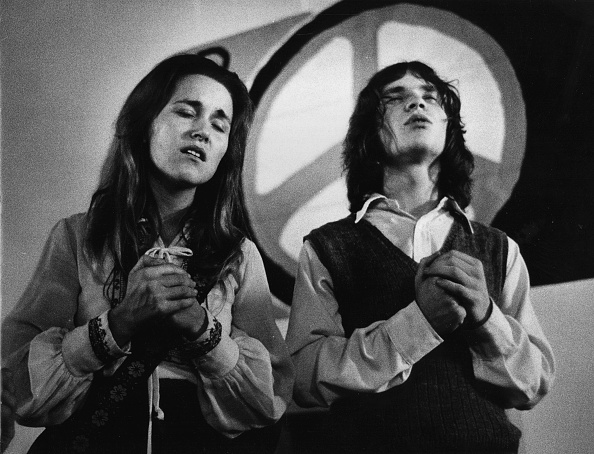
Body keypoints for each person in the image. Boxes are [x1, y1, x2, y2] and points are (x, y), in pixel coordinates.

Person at [1, 54, 294, 454]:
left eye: (219, 124)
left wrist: (201, 329)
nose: (202, 132)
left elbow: (270, 398)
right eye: (186, 112)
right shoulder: (77, 237)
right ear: (145, 124)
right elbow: (18, 385)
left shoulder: (239, 256)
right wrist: (118, 323)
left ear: (226, 151)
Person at [286, 61, 555, 454]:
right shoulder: (327, 247)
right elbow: (303, 377)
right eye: (396, 98)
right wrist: (419, 324)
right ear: (370, 130)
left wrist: (486, 317)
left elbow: (533, 385)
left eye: (430, 97)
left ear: (448, 126)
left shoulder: (500, 248)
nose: (417, 103)